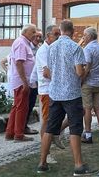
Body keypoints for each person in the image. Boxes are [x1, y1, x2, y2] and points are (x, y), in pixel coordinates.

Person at [37, 19, 93, 175]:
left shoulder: (50, 47)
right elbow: (79, 72)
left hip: (54, 92)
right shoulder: (76, 47)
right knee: (75, 128)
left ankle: (42, 162)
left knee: (50, 127)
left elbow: (48, 70)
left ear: (60, 30)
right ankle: (78, 164)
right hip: (72, 93)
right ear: (73, 31)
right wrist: (84, 70)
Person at [32, 25, 64, 164]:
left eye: (59, 34)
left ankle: (56, 133)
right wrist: (63, 79)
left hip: (55, 89)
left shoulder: (53, 48)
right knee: (46, 121)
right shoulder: (44, 50)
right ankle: (46, 154)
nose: (58, 36)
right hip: (47, 90)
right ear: (48, 36)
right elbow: (46, 72)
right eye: (55, 34)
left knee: (69, 114)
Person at [5, 24, 38, 141]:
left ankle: (10, 132)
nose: (35, 34)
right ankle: (18, 134)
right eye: (32, 32)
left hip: (22, 80)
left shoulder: (24, 43)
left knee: (17, 106)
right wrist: (25, 82)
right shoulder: (21, 43)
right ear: (25, 32)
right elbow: (19, 62)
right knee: (22, 107)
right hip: (21, 81)